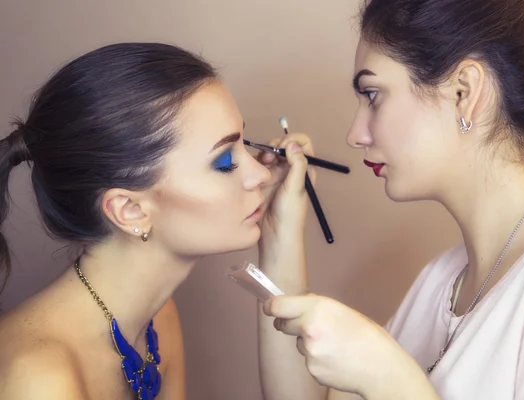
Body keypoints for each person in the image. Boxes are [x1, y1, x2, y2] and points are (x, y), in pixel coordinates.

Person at [258, 0, 524, 399]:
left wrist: (392, 381)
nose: (355, 134)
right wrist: (279, 234)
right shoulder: (440, 280)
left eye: (372, 94)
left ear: (464, 91)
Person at [0, 42, 313, 400]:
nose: (260, 173)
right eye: (225, 161)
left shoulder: (157, 318)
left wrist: (279, 230)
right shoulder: (36, 380)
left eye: (245, 141)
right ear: (130, 210)